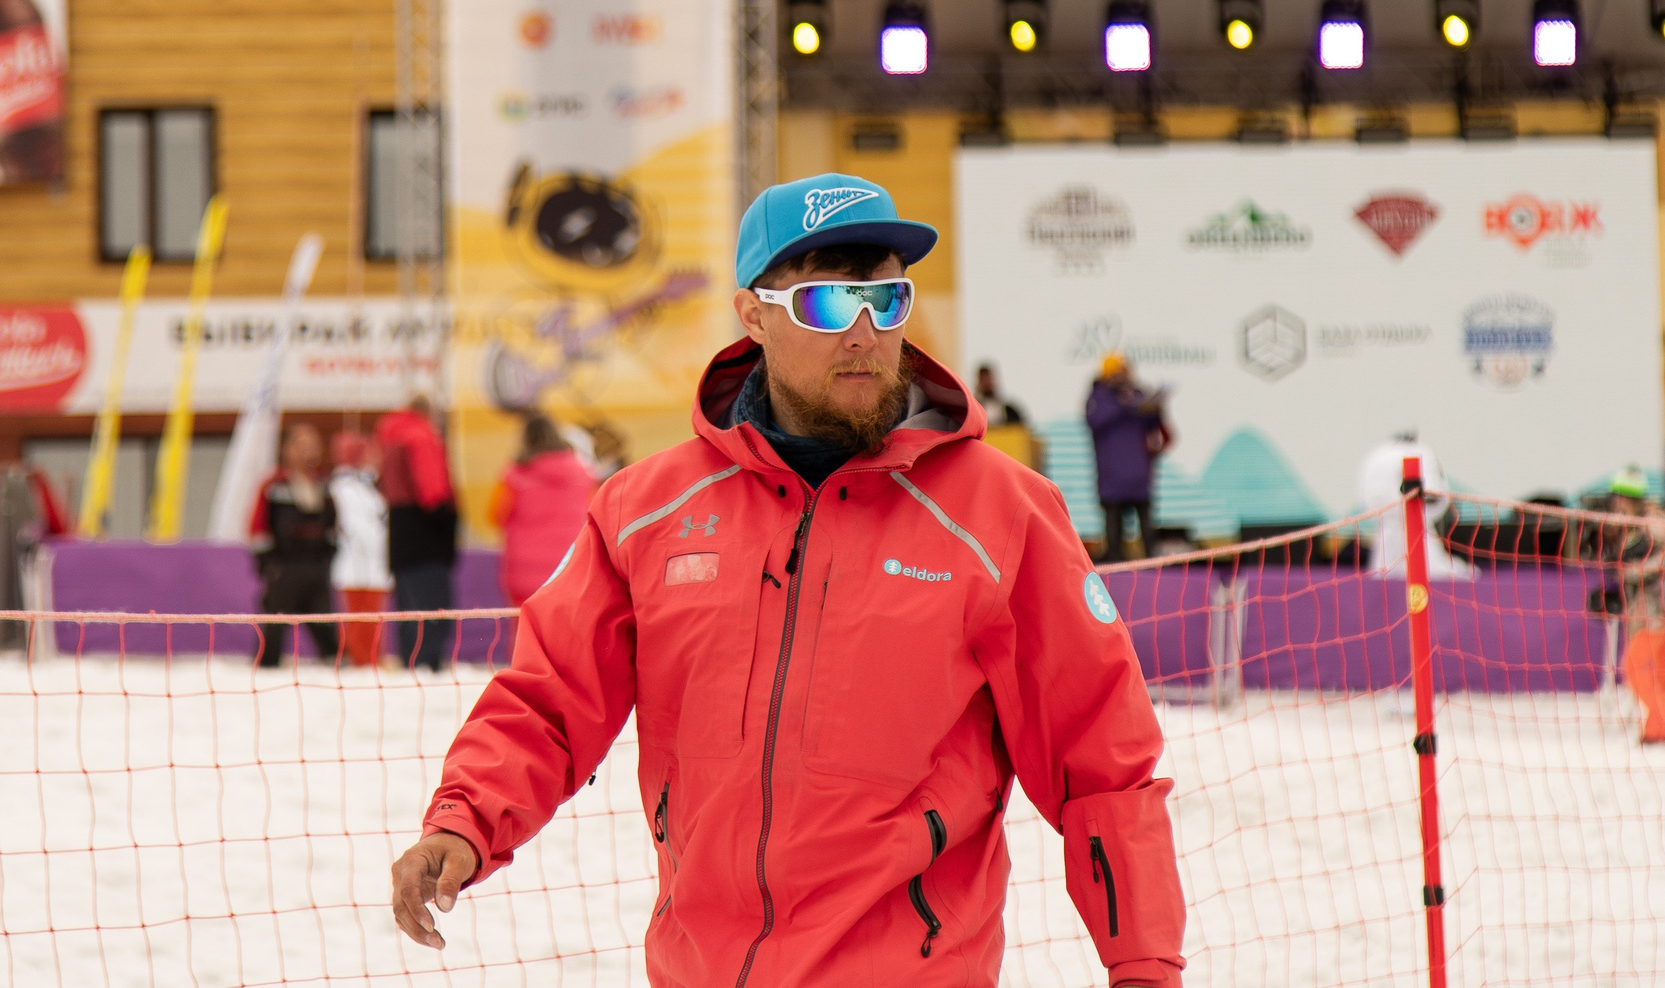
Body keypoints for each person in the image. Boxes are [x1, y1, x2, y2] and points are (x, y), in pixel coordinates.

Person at [389, 172, 1185, 984]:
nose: (866, 331)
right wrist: (466, 819)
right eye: (830, 303)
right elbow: (550, 699)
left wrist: (1144, 965)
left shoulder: (1003, 512)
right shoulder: (646, 508)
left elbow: (1106, 765)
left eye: (889, 298)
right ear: (754, 315)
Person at [1608, 467, 1665, 746]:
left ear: (1632, 499)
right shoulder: (1633, 526)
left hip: (1661, 610)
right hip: (1650, 611)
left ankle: (1663, 727)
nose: (1617, 502)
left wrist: (1629, 569)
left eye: (1622, 497)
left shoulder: (1652, 522)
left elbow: (1660, 559)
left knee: (1634, 668)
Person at [377, 397, 459, 671]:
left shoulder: (390, 437)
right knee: (433, 608)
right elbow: (432, 491)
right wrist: (449, 519)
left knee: (408, 609)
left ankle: (410, 661)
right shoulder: (420, 436)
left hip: (400, 535)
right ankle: (427, 663)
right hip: (425, 537)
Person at [251, 421, 341, 668]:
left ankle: (336, 669)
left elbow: (333, 526)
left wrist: (328, 556)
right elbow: (258, 529)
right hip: (284, 570)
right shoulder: (273, 485)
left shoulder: (323, 484)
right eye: (303, 445)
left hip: (316, 569)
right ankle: (266, 671)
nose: (310, 452)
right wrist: (269, 565)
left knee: (326, 630)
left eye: (314, 445)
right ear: (287, 449)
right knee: (274, 633)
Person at [484, 413, 597, 608]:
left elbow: (496, 515)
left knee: (525, 633)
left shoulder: (514, 474)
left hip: (524, 572)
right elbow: (594, 514)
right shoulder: (583, 474)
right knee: (566, 632)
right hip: (569, 567)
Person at [1355, 432, 1477, 581]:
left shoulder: (1419, 455)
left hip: (1419, 537)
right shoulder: (1394, 457)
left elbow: (1434, 495)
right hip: (1397, 538)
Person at [1084, 354, 1170, 561]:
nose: (1125, 374)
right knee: (1114, 529)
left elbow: (1152, 424)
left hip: (1138, 473)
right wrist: (1123, 404)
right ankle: (1116, 567)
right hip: (1112, 474)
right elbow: (1095, 421)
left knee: (1147, 527)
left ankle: (1153, 565)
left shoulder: (1137, 394)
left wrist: (1156, 408)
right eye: (1119, 370)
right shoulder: (1098, 398)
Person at [331, 423, 393, 667]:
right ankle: (361, 661)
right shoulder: (344, 488)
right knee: (358, 621)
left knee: (374, 619)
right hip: (356, 566)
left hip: (374, 567)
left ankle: (372, 659)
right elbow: (360, 530)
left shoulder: (371, 487)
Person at [973, 362, 1042, 473]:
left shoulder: (1011, 411)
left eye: (989, 378)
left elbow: (1024, 429)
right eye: (983, 379)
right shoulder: (973, 410)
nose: (987, 383)